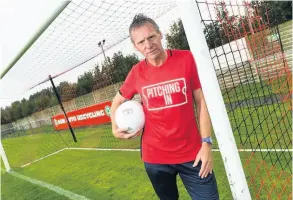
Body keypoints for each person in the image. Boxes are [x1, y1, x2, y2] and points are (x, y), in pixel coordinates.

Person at [110, 13, 219, 200]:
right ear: (135, 46)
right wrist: (114, 129)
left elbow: (201, 101)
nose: (148, 45)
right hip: (155, 158)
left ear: (160, 34)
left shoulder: (186, 59)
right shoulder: (136, 72)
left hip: (193, 154)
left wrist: (206, 143)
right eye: (141, 41)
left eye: (151, 37)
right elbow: (116, 102)